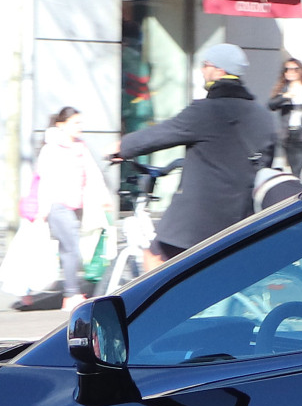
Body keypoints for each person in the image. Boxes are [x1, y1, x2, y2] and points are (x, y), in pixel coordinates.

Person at [111, 41, 278, 265]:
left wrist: (122, 147)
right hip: (241, 218)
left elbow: (164, 133)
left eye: (205, 65)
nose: (202, 70)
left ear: (218, 70)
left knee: (155, 255)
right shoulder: (263, 116)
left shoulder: (205, 111)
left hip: (197, 219)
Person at [15, 108, 117, 311]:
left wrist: (104, 197)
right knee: (71, 249)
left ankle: (27, 291)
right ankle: (71, 295)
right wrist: (42, 210)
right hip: (56, 205)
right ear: (62, 125)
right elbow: (44, 180)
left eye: (80, 123)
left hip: (75, 206)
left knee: (59, 248)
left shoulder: (80, 146)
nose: (80, 127)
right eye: (75, 123)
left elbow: (93, 174)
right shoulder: (51, 148)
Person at [270, 57, 302, 179]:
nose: (291, 72)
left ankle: (297, 187)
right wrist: (285, 97)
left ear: (301, 71)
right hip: (288, 133)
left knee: (299, 165)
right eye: (287, 69)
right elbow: (271, 105)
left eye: (295, 69)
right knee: (294, 167)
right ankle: (297, 188)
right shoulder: (283, 89)